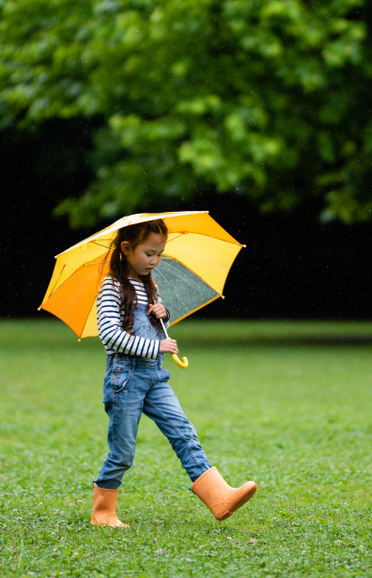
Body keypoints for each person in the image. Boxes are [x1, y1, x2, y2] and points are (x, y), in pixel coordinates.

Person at [90, 218, 257, 527]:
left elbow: (153, 327)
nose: (155, 260)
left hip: (155, 378)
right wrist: (157, 347)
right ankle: (103, 512)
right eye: (149, 253)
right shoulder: (111, 287)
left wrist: (161, 314)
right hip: (124, 379)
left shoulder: (149, 286)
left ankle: (219, 496)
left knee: (183, 429)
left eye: (160, 254)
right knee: (123, 451)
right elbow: (110, 335)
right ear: (126, 249)